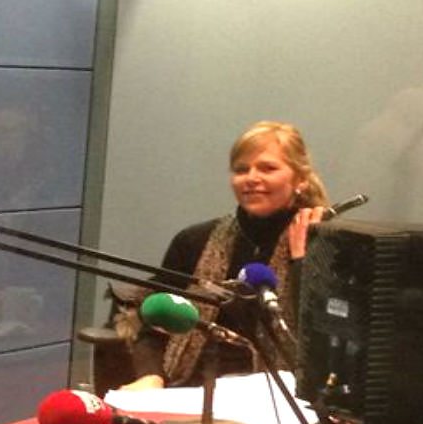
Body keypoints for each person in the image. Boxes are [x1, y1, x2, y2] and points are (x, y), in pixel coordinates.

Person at [117, 120, 330, 390]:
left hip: (282, 397)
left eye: (267, 168)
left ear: (300, 179)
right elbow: (154, 326)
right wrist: (151, 376)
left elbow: (322, 338)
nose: (251, 178)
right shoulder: (193, 241)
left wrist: (302, 261)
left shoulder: (327, 245)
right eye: (241, 169)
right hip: (188, 389)